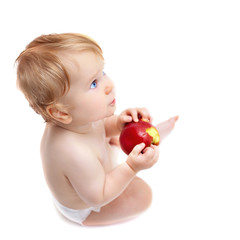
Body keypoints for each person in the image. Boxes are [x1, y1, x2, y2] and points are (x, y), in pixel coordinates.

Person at [16, 33, 178, 226]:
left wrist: (119, 123)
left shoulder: (77, 117)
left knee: (114, 139)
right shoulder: (73, 152)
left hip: (90, 175)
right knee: (144, 196)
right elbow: (99, 196)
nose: (108, 85)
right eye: (93, 83)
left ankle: (147, 138)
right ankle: (91, 221)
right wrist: (131, 167)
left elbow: (100, 127)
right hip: (86, 205)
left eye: (102, 73)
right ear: (60, 113)